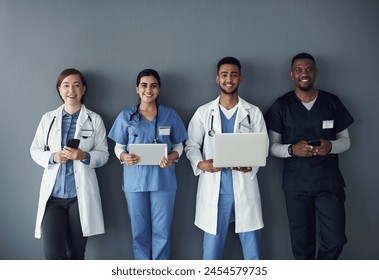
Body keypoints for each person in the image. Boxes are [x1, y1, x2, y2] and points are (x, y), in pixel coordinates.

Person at [265, 52, 355, 259]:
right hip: (297, 185)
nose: (303, 74)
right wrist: (291, 150)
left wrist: (330, 146)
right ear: (291, 75)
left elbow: (346, 141)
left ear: (315, 72)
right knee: (301, 243)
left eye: (308, 69)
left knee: (336, 239)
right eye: (298, 70)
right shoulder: (282, 105)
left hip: (328, 183)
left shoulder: (331, 102)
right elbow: (271, 147)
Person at [185, 57, 268, 260]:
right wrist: (200, 163)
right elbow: (191, 145)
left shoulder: (253, 113)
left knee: (253, 253)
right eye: (224, 75)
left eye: (233, 74)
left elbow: (263, 147)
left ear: (240, 78)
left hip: (244, 187)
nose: (228, 79)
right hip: (215, 190)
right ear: (217, 79)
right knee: (212, 254)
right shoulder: (204, 112)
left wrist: (251, 165)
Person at [108, 69, 187, 260]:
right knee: (139, 232)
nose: (148, 90)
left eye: (153, 85)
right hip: (135, 182)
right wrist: (124, 156)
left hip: (163, 181)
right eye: (144, 85)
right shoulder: (126, 116)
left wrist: (173, 156)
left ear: (159, 89)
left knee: (163, 232)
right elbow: (118, 147)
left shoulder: (170, 115)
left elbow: (179, 144)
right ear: (137, 89)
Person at [30, 68, 109, 259]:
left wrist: (83, 156)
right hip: (53, 198)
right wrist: (53, 157)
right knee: (53, 255)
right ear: (59, 90)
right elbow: (35, 150)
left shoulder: (94, 119)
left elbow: (104, 154)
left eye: (76, 85)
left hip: (79, 197)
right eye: (65, 85)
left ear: (83, 89)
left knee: (76, 254)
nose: (71, 90)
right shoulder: (48, 119)